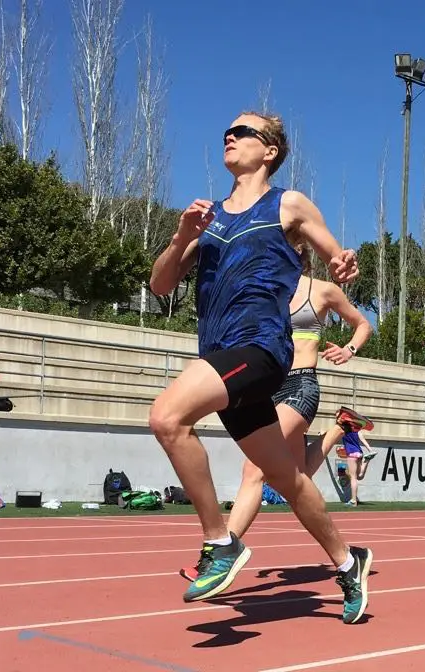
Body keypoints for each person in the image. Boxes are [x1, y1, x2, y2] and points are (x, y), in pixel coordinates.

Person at [147, 112, 372, 625]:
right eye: (225, 130)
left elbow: (338, 256)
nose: (228, 136)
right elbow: (161, 285)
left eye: (242, 131)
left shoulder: (285, 203)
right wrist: (182, 236)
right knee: (286, 478)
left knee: (166, 417)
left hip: (262, 351)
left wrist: (343, 262)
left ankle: (218, 542)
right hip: (219, 354)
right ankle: (347, 562)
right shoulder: (208, 216)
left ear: (269, 150)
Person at [177, 251, 375, 580]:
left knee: (255, 467)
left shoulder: (323, 290)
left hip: (301, 385)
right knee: (292, 479)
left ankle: (221, 552)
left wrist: (349, 349)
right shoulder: (265, 290)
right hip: (267, 387)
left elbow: (363, 324)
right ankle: (340, 427)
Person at [339, 425, 376, 506]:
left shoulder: (343, 430)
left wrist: (322, 435)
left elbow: (331, 436)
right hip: (359, 453)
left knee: (353, 478)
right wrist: (370, 450)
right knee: (359, 476)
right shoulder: (357, 430)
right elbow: (363, 440)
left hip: (352, 454)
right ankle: (366, 460)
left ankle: (353, 501)